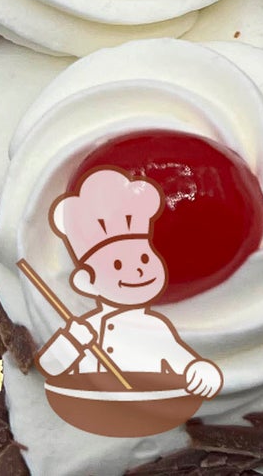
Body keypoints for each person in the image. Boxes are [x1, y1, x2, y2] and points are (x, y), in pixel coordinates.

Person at [35, 167, 223, 398]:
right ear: (86, 281)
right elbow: (49, 366)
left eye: (144, 258)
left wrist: (200, 371)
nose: (137, 270)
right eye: (117, 265)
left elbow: (185, 363)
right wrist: (73, 341)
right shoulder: (88, 327)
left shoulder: (156, 329)